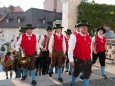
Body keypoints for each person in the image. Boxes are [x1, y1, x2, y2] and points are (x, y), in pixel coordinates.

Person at [68, 20, 92, 86]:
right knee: (76, 73)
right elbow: (70, 49)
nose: (85, 28)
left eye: (86, 27)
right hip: (78, 59)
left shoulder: (89, 37)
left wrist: (91, 58)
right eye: (83, 27)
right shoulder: (74, 36)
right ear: (79, 28)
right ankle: (72, 82)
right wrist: (71, 60)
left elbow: (90, 49)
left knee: (87, 75)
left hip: (87, 60)